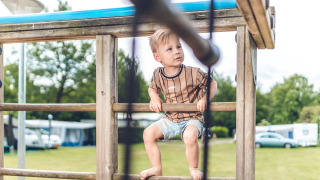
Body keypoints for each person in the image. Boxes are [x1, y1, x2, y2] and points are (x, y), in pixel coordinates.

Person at [140, 28, 217, 180]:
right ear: (157, 57)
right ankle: (156, 168)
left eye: (179, 46)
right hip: (170, 119)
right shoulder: (157, 74)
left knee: (189, 136)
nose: (177, 51)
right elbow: (152, 88)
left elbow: (212, 83)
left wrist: (205, 99)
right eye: (169, 49)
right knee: (148, 134)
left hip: (192, 118)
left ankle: (194, 168)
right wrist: (154, 97)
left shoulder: (193, 73)